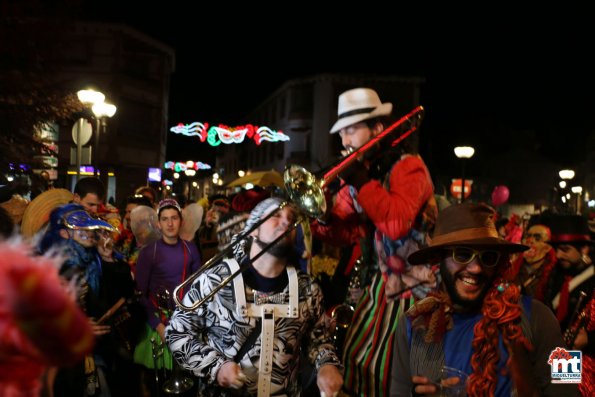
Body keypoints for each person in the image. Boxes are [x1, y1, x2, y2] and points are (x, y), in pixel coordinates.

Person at [311, 87, 437, 395]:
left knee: (397, 370)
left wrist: (359, 181)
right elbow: (347, 234)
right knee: (356, 363)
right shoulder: (362, 174)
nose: (344, 141)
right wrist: (322, 213)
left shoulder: (409, 165)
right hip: (378, 283)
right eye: (341, 133)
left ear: (378, 128)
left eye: (351, 130)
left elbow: (396, 224)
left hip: (416, 286)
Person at [390, 202, 578, 397]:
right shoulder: (412, 325)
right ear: (439, 258)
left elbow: (572, 388)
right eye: (462, 254)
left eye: (487, 257)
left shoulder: (541, 316)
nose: (476, 268)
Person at [165, 197, 343, 397]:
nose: (286, 222)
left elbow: (319, 340)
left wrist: (327, 364)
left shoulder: (308, 289)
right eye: (275, 215)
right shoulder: (215, 281)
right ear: (254, 229)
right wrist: (217, 367)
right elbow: (176, 333)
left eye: (291, 218)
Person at [133, 198, 201, 394]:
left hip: (185, 321)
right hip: (158, 324)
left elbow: (198, 288)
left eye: (174, 218)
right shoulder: (148, 252)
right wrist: (158, 325)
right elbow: (140, 294)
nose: (170, 224)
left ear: (181, 221)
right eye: (165, 219)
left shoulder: (191, 249)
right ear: (158, 223)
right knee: (157, 384)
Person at [546, 214, 594, 396]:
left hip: (585, 359)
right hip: (556, 351)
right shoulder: (555, 273)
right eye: (556, 249)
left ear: (584, 249)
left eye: (565, 249)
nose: (558, 255)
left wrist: (590, 338)